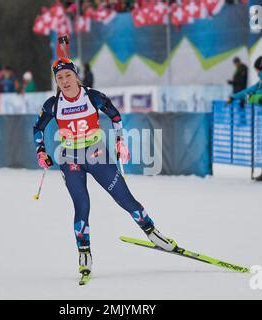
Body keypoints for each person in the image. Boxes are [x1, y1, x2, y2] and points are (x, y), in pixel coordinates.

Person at [33, 57, 177, 281]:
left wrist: (120, 140)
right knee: (81, 206)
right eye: (59, 77)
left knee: (124, 198)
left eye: (68, 75)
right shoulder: (53, 104)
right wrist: (41, 151)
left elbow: (116, 117)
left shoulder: (93, 96)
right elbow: (38, 129)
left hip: (97, 154)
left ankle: (153, 233)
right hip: (70, 159)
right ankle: (84, 255)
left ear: (76, 75)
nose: (64, 81)